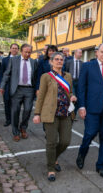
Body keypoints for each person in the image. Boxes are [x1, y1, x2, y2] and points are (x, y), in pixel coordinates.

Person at [76, 43, 103, 179]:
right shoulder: (87, 66)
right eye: (102, 52)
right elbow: (81, 88)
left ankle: (101, 165)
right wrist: (81, 106)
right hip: (92, 108)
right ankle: (82, 153)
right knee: (90, 133)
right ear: (97, 53)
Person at [33, 52, 77, 182]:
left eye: (61, 60)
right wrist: (37, 114)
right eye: (56, 59)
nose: (59, 61)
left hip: (66, 113)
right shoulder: (46, 76)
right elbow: (40, 96)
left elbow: (69, 91)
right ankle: (51, 168)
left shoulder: (68, 76)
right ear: (51, 62)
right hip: (50, 113)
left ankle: (53, 157)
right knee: (51, 142)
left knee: (65, 141)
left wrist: (72, 96)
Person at [0, 44, 38, 142]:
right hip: (17, 89)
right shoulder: (14, 60)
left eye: (29, 52)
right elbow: (7, 74)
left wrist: (37, 89)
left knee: (28, 110)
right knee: (15, 111)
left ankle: (23, 128)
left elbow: (36, 77)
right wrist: (2, 86)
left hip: (29, 89)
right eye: (26, 52)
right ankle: (15, 132)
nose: (27, 54)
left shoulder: (33, 62)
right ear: (21, 51)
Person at [0, 43, 19, 127]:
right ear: (10, 49)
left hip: (17, 85)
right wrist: (0, 85)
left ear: (18, 50)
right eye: (13, 48)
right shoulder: (5, 60)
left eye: (16, 48)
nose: (14, 49)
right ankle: (8, 119)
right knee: (7, 102)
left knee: (16, 104)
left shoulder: (20, 60)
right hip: (7, 84)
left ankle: (15, 120)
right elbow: (1, 73)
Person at [64, 49, 83, 114]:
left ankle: (73, 114)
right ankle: (70, 112)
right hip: (71, 82)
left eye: (81, 53)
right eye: (79, 53)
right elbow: (66, 71)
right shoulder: (68, 62)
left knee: (78, 98)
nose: (81, 54)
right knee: (72, 97)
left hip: (79, 83)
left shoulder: (82, 63)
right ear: (75, 53)